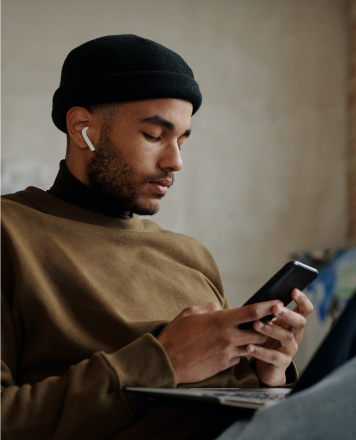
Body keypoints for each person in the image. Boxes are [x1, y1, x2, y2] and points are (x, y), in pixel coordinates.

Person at [1, 34, 313, 440]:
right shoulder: (11, 232)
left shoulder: (190, 255)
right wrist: (162, 360)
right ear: (82, 128)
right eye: (154, 135)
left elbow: (237, 393)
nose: (175, 161)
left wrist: (269, 373)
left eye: (182, 140)